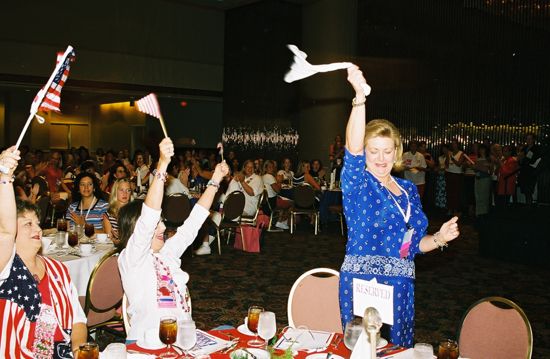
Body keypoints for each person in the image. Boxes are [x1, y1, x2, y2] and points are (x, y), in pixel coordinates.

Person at [339, 66, 460, 348]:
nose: (381, 158)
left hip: (401, 285)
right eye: (373, 150)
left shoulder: (407, 190)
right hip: (364, 283)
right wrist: (359, 99)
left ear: (397, 152)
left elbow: (414, 244)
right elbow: (352, 149)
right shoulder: (358, 184)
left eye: (387, 150)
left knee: (399, 350)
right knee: (364, 351)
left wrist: (440, 237)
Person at [117, 138, 229, 341]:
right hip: (147, 344)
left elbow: (194, 222)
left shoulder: (166, 253)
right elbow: (148, 217)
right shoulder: (131, 259)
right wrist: (162, 165)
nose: (162, 227)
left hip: (180, 339)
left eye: (161, 222)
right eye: (156, 224)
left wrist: (215, 180)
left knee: (228, 331)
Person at [0, 147, 87, 358]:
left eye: (37, 223)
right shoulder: (6, 271)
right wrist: (5, 176)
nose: (38, 229)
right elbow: (5, 230)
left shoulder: (57, 269)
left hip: (61, 352)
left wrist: (77, 351)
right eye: (28, 224)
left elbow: (78, 321)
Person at [103, 178, 133, 245]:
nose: (125, 193)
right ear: (115, 192)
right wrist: (115, 240)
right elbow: (110, 238)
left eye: (128, 190)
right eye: (121, 190)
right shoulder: (108, 214)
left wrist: (124, 237)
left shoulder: (135, 212)